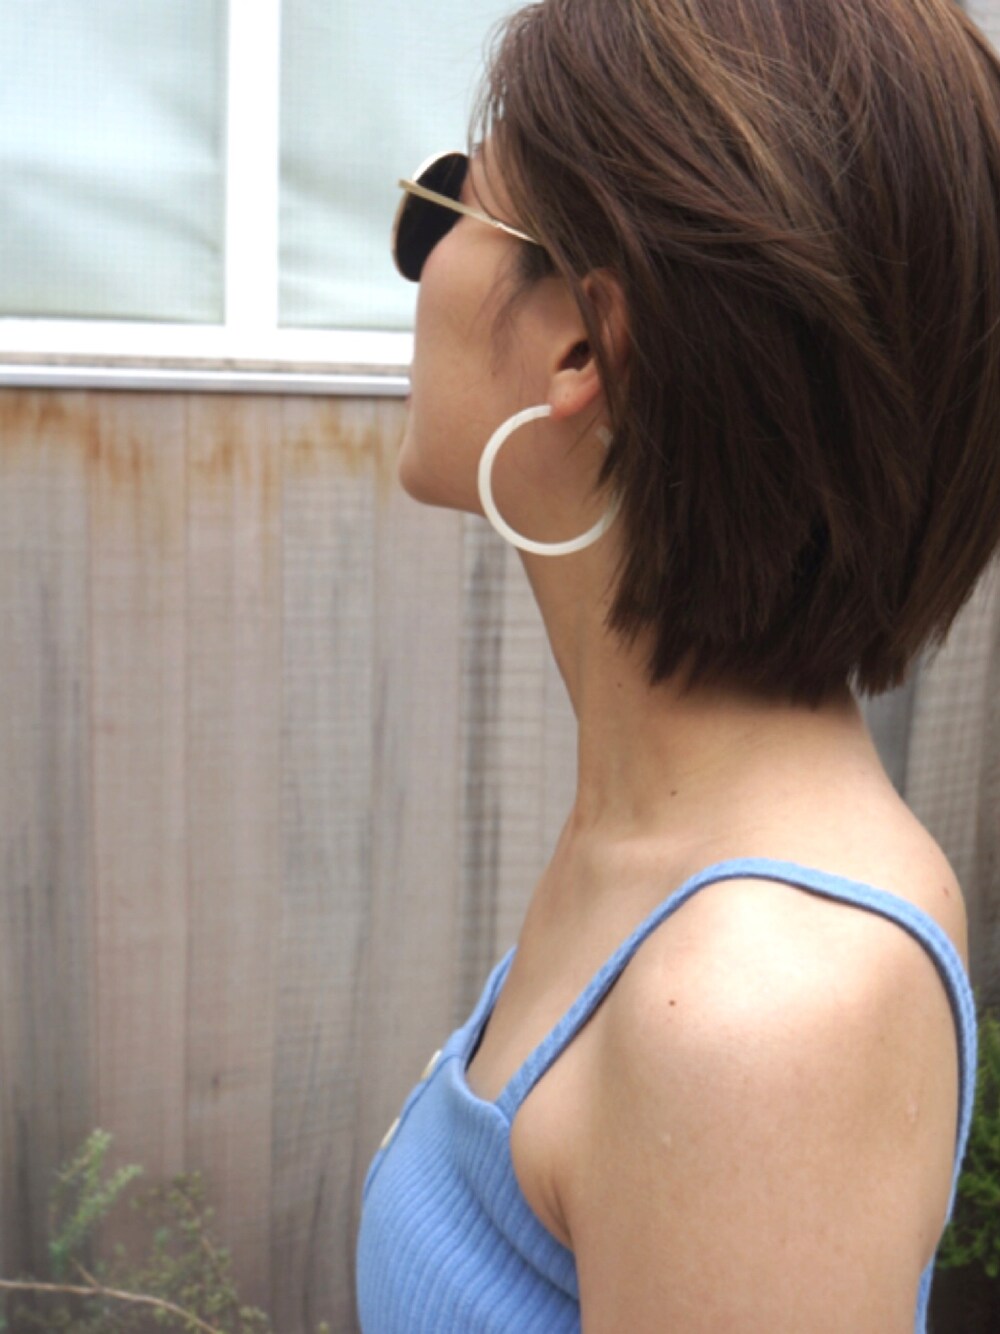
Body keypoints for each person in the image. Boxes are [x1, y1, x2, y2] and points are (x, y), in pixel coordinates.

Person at [356, 0, 1000, 1328]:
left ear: (584, 347)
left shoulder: (763, 1003)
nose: (419, 255)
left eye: (451, 204)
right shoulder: (656, 839)